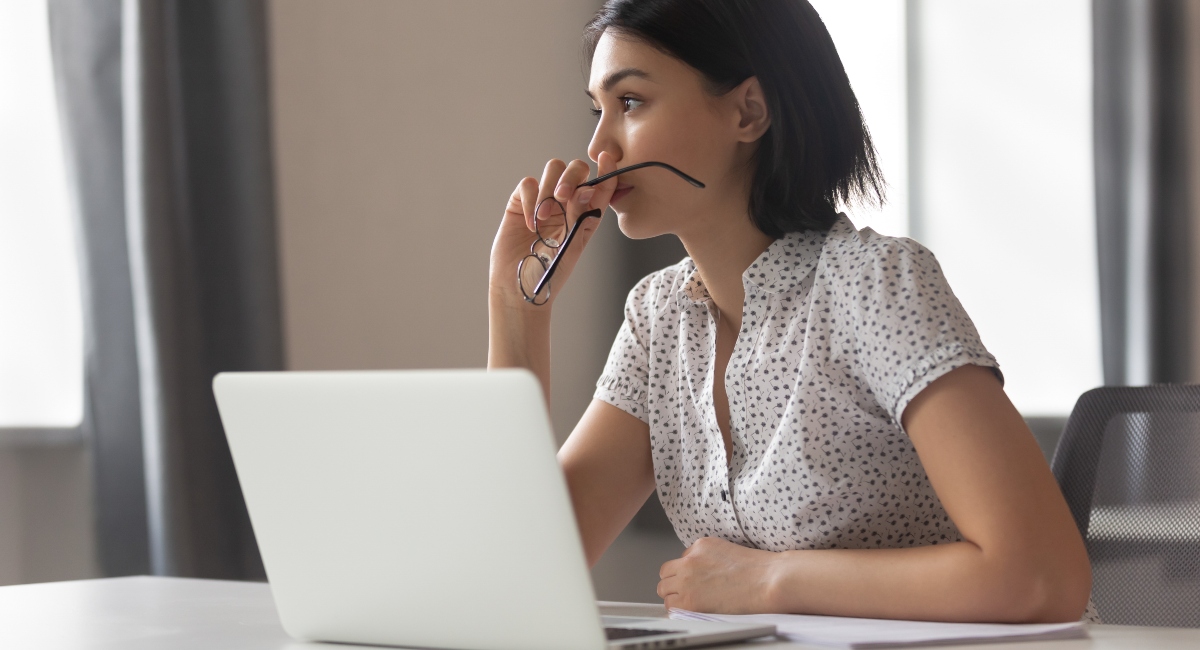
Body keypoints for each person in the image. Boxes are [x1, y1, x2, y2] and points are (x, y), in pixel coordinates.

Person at [487, 0, 1092, 623]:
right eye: (598, 110)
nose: (599, 147)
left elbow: (1040, 576)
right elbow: (518, 569)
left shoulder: (873, 285)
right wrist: (516, 308)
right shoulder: (657, 318)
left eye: (631, 102)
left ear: (748, 111)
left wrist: (771, 581)